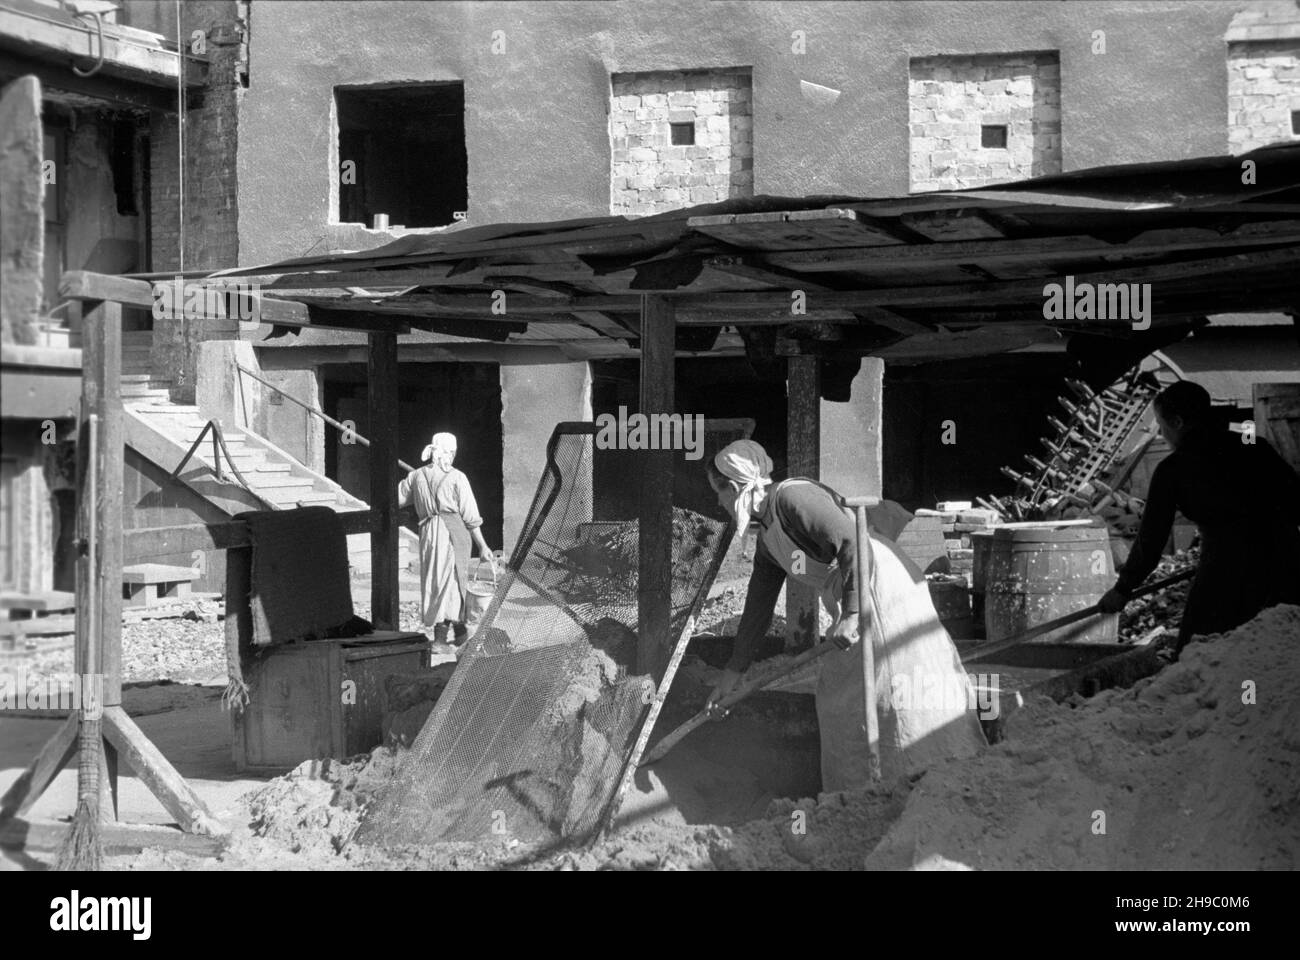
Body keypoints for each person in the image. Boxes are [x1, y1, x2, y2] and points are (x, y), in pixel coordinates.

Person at [704, 439, 986, 790]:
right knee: (843, 701)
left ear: (733, 488)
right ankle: (859, 797)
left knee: (899, 687)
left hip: (879, 587)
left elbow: (851, 539)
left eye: (719, 493)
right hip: (852, 597)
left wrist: (853, 612)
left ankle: (935, 777)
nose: (719, 503)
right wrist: (732, 675)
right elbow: (757, 609)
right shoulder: (768, 535)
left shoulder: (792, 498)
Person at [1099, 380, 1300, 652]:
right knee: (1278, 653)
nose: (1161, 431)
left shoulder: (1173, 469)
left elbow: (1151, 540)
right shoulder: (1256, 447)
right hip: (1285, 565)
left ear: (1178, 422)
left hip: (1226, 571)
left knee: (1198, 653)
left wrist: (1122, 590)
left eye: (1161, 424)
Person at [398, 432, 496, 647]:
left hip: (428, 534)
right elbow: (470, 516)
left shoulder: (416, 476)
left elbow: (397, 499)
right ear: (450, 452)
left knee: (436, 581)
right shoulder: (457, 477)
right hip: (454, 533)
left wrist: (420, 493)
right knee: (453, 582)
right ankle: (443, 639)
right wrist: (483, 546)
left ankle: (457, 634)